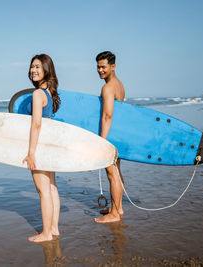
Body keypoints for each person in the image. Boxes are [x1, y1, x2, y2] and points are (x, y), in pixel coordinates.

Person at [22, 54, 61, 242]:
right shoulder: (50, 93)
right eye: (32, 67)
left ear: (46, 69)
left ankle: (46, 234)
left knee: (43, 190)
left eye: (37, 66)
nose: (33, 70)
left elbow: (36, 124)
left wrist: (31, 153)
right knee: (52, 187)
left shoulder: (38, 94)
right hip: (50, 145)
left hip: (40, 147)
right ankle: (53, 228)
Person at [94, 51, 125, 223]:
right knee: (117, 173)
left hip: (110, 135)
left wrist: (102, 142)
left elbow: (107, 115)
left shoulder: (108, 87)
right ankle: (117, 208)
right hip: (118, 134)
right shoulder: (119, 85)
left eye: (103, 66)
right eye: (98, 67)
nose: (99, 70)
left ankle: (114, 215)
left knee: (112, 173)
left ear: (112, 66)